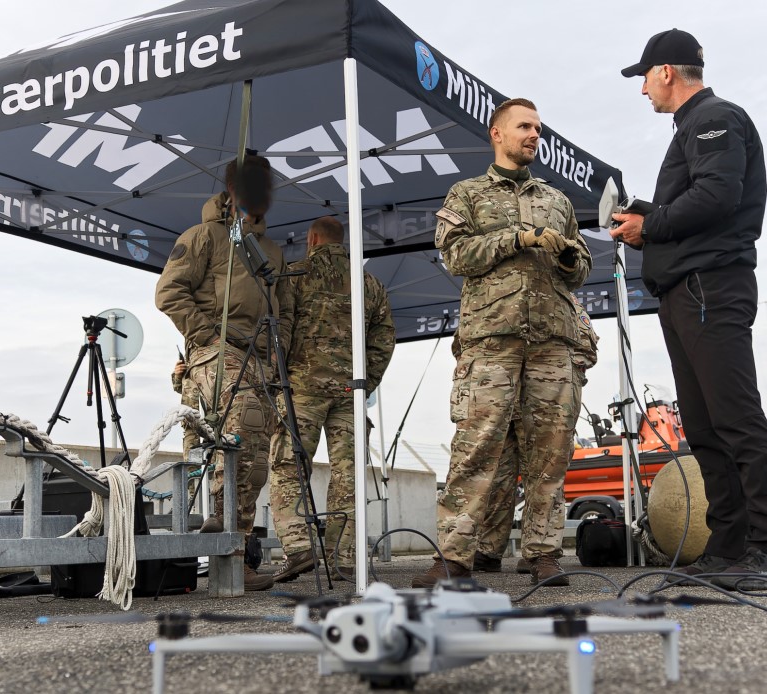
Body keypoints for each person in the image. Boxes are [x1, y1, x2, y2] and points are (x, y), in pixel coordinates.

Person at [612, 29, 767, 590]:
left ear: (667, 71)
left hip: (710, 288)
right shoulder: (692, 127)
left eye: (644, 76)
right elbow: (701, 199)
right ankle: (729, 545)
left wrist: (654, 224)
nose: (642, 88)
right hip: (686, 292)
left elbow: (718, 196)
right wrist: (648, 220)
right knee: (705, 424)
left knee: (734, 416)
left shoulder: (713, 117)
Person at [412, 97, 591, 588]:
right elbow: (457, 256)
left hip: (553, 341)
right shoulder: (466, 194)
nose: (535, 135)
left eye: (538, 128)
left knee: (551, 452)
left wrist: (569, 259)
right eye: (525, 127)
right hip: (492, 339)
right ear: (497, 134)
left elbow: (581, 267)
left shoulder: (557, 201)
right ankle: (454, 556)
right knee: (476, 448)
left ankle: (543, 552)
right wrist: (519, 238)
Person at [154, 154, 291, 592]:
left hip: (261, 357)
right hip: (217, 349)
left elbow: (285, 311)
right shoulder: (203, 237)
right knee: (243, 427)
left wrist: (276, 352)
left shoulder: (271, 251)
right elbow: (169, 292)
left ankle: (236, 547)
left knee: (257, 453)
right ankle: (226, 543)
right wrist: (206, 335)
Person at [269, 216, 395, 583]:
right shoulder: (369, 284)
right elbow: (384, 340)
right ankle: (344, 559)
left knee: (288, 468)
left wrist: (281, 379)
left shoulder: (293, 275)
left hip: (301, 389)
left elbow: (280, 330)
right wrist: (364, 383)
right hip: (349, 393)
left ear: (311, 239)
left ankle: (298, 546)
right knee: (349, 474)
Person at [473, 294, 599, 575]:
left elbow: (587, 349)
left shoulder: (565, 302)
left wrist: (560, 379)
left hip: (545, 410)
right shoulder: (498, 298)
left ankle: (539, 553)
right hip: (503, 405)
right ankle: (487, 550)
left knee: (544, 478)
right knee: (497, 480)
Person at [171, 356, 201, 461]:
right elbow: (179, 388)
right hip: (191, 422)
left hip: (211, 422)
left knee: (213, 466)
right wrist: (178, 375)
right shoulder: (189, 358)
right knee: (191, 467)